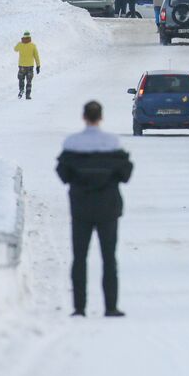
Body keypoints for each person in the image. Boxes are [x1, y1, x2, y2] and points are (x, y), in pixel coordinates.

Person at [55, 101, 133, 317]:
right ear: (101, 117)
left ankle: (79, 308)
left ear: (84, 117)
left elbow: (63, 175)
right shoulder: (112, 143)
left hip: (80, 208)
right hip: (108, 208)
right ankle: (110, 307)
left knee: (79, 257)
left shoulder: (72, 143)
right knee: (109, 257)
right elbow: (125, 175)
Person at [14, 31, 41, 99]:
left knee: (21, 79)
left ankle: (21, 90)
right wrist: (38, 65)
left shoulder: (20, 44)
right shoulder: (33, 45)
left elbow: (15, 49)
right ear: (29, 37)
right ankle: (28, 95)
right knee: (29, 81)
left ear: (23, 37)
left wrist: (20, 43)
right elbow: (36, 56)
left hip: (22, 66)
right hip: (30, 66)